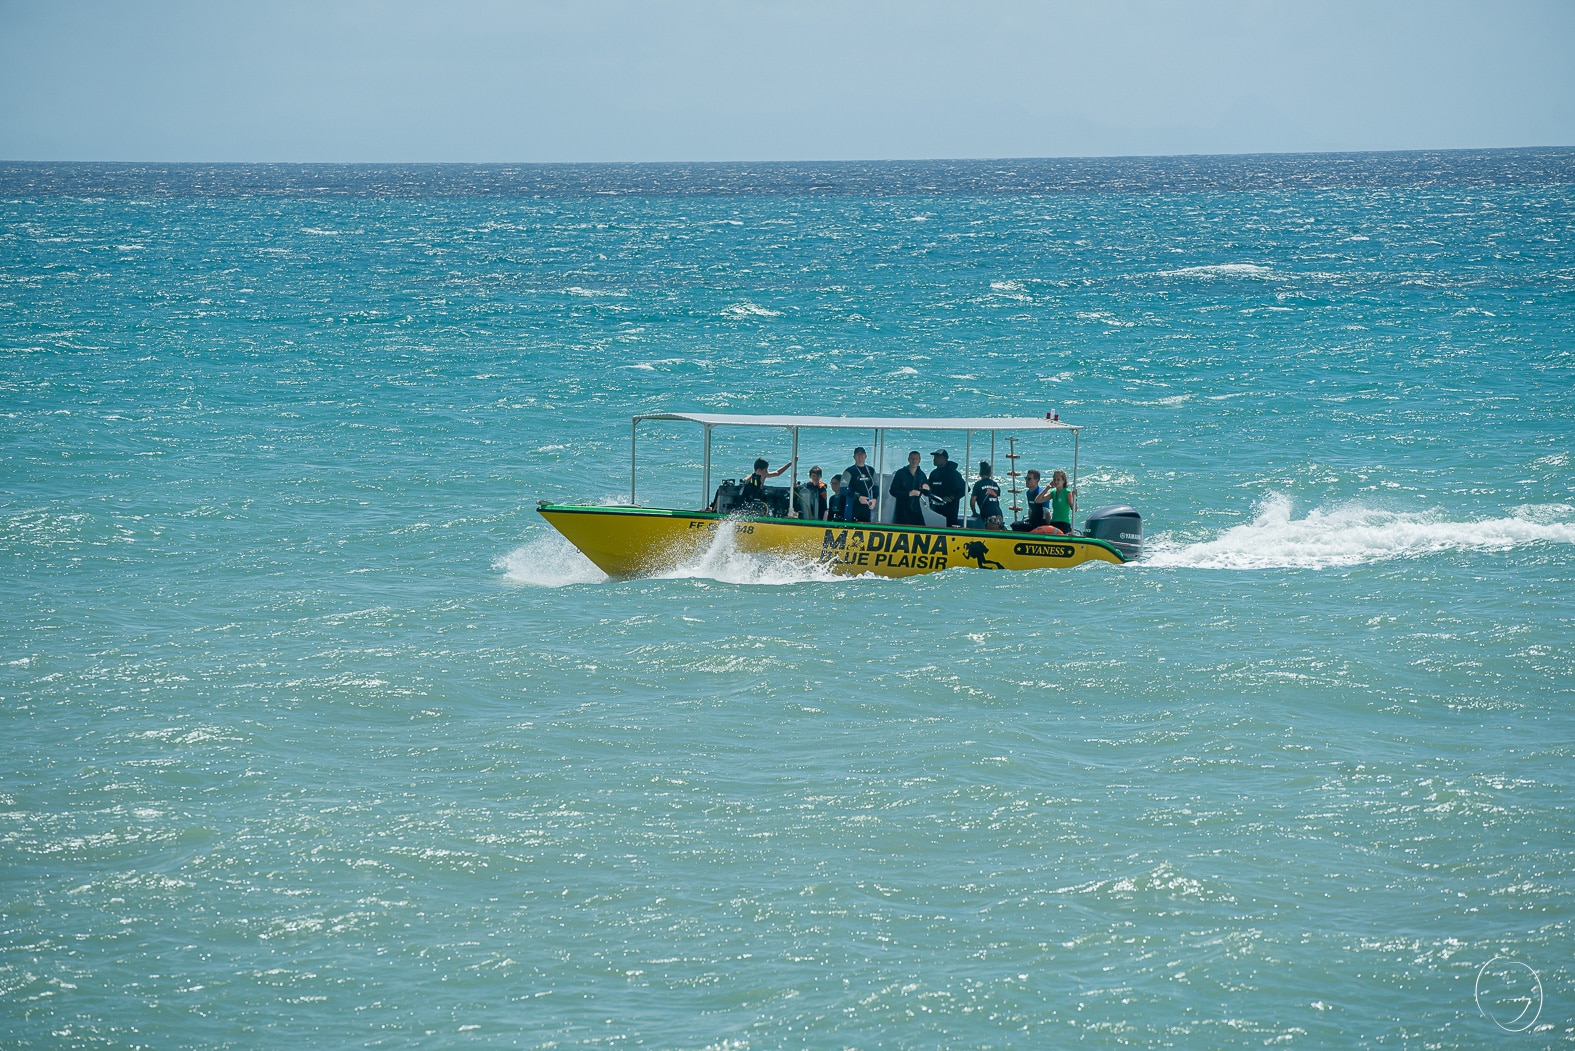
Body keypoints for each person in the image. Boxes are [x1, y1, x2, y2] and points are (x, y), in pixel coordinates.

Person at [925, 449, 966, 527]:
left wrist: (952, 497)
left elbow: (965, 489)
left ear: (944, 458)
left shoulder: (953, 474)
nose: (934, 459)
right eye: (934, 457)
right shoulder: (933, 473)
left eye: (937, 457)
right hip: (935, 509)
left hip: (950, 510)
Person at [889, 450, 929, 526]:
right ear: (908, 460)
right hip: (902, 509)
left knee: (920, 531)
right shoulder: (900, 473)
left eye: (916, 459)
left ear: (919, 460)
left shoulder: (921, 475)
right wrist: (908, 494)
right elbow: (893, 491)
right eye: (912, 458)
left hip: (916, 509)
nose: (914, 461)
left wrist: (927, 489)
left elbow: (927, 493)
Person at [842, 446, 877, 523]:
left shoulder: (871, 470)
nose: (860, 456)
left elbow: (876, 487)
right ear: (854, 457)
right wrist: (858, 497)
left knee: (866, 526)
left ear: (865, 456)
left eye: (862, 454)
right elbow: (843, 489)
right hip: (853, 505)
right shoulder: (849, 471)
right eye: (858, 454)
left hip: (867, 505)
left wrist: (874, 499)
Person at [970, 461, 1003, 525]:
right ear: (990, 474)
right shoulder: (995, 484)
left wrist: (974, 512)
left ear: (980, 474)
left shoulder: (978, 485)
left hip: (987, 513)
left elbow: (972, 501)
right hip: (998, 513)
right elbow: (996, 496)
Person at [1046, 469, 1077, 534]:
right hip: (1054, 522)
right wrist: (1047, 488)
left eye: (1058, 479)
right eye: (1054, 479)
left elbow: (1074, 509)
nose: (1056, 481)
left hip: (1064, 524)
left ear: (1063, 481)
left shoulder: (1067, 492)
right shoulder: (1053, 492)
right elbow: (1038, 500)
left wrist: (1075, 498)